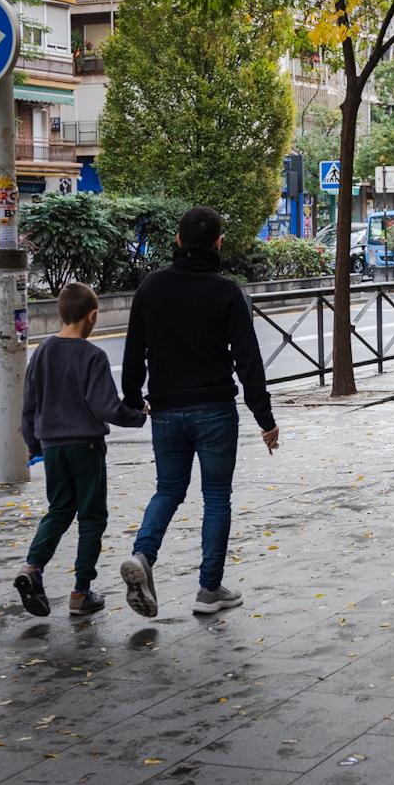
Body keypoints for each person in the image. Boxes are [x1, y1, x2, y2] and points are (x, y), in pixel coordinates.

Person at [119, 207, 279, 617]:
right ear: (218, 243)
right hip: (214, 411)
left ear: (177, 241)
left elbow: (134, 349)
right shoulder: (226, 291)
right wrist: (265, 419)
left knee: (168, 490)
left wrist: (135, 398)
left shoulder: (151, 288)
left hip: (167, 411)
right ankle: (209, 590)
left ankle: (143, 555)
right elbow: (248, 360)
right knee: (216, 497)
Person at [15, 283, 147, 617]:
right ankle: (81, 591)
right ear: (92, 316)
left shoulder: (42, 351)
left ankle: (32, 568)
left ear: (60, 313)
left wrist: (33, 445)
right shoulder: (92, 355)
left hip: (53, 447)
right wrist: (139, 416)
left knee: (59, 510)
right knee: (91, 518)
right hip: (86, 447)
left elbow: (28, 405)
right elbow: (106, 407)